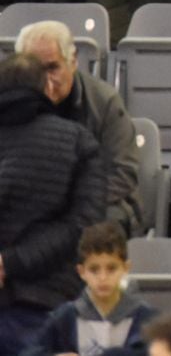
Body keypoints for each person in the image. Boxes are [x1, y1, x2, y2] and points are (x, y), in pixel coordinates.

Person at [0, 51, 104, 351]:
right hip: (46, 303)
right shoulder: (78, 141)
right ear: (46, 87)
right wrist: (12, 263)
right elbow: (84, 226)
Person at [12, 21, 142, 237]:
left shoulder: (105, 102)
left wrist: (70, 202)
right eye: (35, 69)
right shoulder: (12, 104)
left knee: (99, 226)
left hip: (99, 202)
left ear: (72, 62)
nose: (45, 79)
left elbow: (123, 174)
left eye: (53, 67)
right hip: (35, 203)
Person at [23, 222, 154, 356]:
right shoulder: (65, 317)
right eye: (94, 270)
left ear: (126, 268)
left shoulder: (146, 319)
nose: (103, 278)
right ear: (81, 272)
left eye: (111, 268)